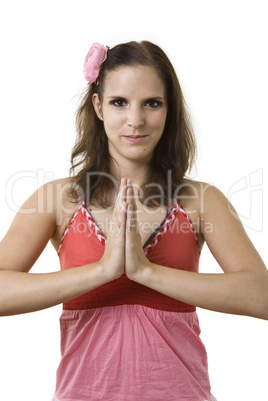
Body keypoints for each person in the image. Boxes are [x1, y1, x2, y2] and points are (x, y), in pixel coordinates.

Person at [0, 40, 267, 401]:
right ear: (98, 106)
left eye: (152, 103)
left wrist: (145, 272)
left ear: (169, 109)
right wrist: (102, 271)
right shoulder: (57, 199)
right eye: (119, 102)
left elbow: (261, 296)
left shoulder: (201, 201)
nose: (135, 120)